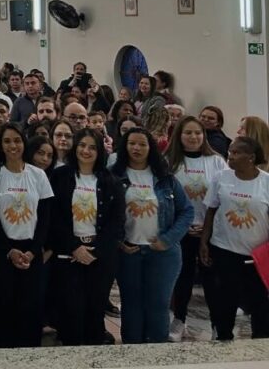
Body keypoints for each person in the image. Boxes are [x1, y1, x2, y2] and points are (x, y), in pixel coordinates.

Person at [111, 127, 192, 344]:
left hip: (163, 254)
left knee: (158, 304)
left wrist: (168, 239)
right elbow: (105, 215)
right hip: (128, 252)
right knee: (132, 304)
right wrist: (118, 241)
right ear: (124, 146)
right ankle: (132, 349)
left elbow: (187, 211)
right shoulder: (113, 175)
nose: (136, 148)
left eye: (142, 144)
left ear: (151, 148)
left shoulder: (165, 178)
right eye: (132, 143)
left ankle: (157, 351)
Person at [0, 122, 53, 348]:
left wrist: (33, 251)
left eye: (17, 140)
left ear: (24, 143)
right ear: (0, 145)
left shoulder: (38, 175)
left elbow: (45, 219)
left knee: (31, 308)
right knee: (6, 307)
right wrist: (9, 250)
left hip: (32, 251)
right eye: (7, 141)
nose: (13, 145)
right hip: (3, 251)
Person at [48, 128, 125, 345]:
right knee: (70, 312)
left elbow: (116, 221)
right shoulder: (60, 176)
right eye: (82, 145)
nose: (86, 151)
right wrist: (74, 247)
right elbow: (54, 216)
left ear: (99, 151)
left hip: (99, 257)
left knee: (94, 311)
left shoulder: (111, 181)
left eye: (92, 147)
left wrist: (96, 251)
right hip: (68, 255)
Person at [200, 136, 269, 340]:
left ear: (251, 157)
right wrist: (204, 241)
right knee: (225, 300)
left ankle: (260, 344)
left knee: (260, 303)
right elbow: (211, 210)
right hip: (224, 249)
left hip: (256, 255)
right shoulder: (221, 177)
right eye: (230, 151)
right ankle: (223, 338)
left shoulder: (266, 182)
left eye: (236, 153)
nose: (230, 156)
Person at [166, 115, 226, 341]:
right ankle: (179, 319)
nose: (193, 137)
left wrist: (207, 227)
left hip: (208, 231)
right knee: (182, 277)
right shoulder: (170, 161)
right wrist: (182, 225)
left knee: (212, 280)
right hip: (180, 230)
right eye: (188, 133)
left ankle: (217, 324)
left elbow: (224, 196)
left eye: (198, 133)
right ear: (179, 135)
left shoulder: (216, 161)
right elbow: (164, 198)